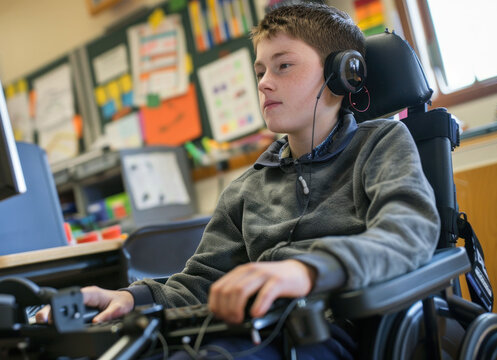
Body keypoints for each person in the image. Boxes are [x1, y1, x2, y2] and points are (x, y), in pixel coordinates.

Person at [38, 3, 440, 358]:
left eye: (283, 65)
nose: (264, 82)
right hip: (254, 331)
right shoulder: (249, 187)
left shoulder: (380, 143)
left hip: (338, 330)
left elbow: (409, 230)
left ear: (342, 75)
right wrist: (130, 297)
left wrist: (308, 271)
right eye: (260, 70)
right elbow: (200, 282)